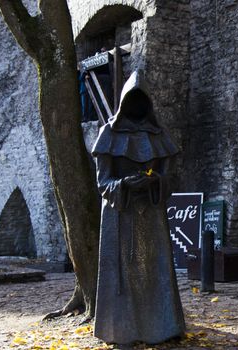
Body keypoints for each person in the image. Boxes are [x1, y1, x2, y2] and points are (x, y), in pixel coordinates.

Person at [92, 71, 185, 345]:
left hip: (152, 214)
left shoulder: (159, 135)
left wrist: (155, 181)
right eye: (132, 100)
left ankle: (163, 326)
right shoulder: (108, 134)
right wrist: (125, 185)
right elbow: (103, 183)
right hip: (120, 216)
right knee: (121, 276)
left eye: (140, 99)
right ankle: (120, 329)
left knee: (156, 270)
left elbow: (170, 180)